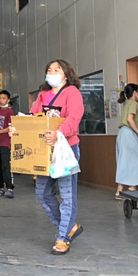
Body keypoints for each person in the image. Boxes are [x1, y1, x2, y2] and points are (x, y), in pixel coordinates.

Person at [29, 59, 85, 255]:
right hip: (45, 151)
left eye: (56, 69)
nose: (52, 72)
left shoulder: (72, 93)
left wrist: (58, 133)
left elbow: (74, 118)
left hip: (66, 150)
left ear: (66, 73)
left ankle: (62, 238)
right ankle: (69, 227)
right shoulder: (42, 95)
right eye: (49, 69)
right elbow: (33, 118)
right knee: (42, 193)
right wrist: (19, 129)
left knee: (67, 194)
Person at [115, 83, 138, 199]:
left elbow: (133, 123)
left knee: (123, 161)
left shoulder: (127, 103)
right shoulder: (133, 103)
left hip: (122, 133)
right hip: (129, 134)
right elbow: (130, 120)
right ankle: (132, 188)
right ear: (134, 93)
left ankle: (119, 190)